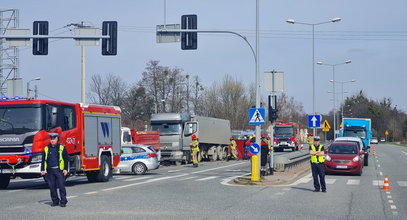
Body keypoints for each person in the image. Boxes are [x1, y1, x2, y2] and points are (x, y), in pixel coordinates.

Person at [40, 133, 69, 207]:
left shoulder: (61, 147)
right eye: (51, 139)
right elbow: (43, 159)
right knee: (52, 187)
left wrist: (65, 169)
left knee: (61, 186)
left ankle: (63, 201)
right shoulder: (46, 148)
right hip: (50, 171)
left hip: (59, 170)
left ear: (57, 139)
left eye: (54, 139)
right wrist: (42, 169)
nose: (52, 141)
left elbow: (66, 159)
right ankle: (55, 201)